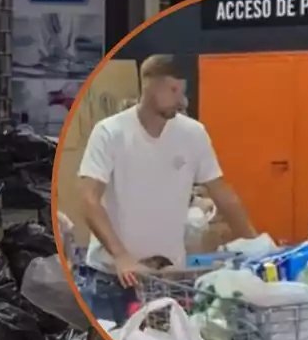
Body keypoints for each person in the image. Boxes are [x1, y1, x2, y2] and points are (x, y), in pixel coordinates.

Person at [78, 54, 256, 324]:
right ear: (149, 85)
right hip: (112, 278)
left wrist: (256, 245)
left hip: (166, 279)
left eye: (182, 91)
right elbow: (89, 200)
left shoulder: (193, 134)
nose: (181, 99)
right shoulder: (110, 133)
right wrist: (121, 256)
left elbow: (223, 194)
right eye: (173, 90)